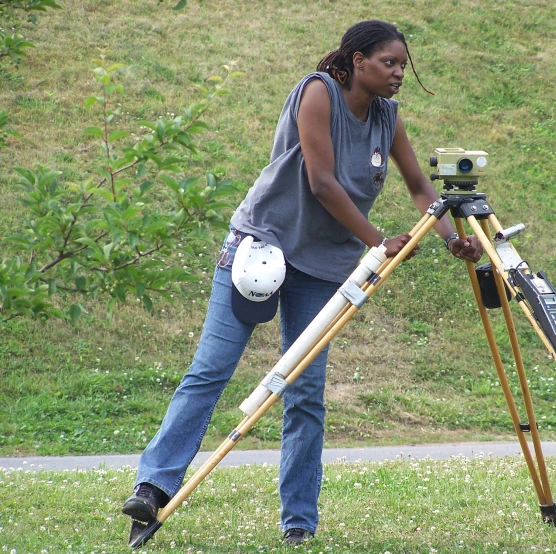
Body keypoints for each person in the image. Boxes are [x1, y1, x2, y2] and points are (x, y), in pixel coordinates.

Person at [121, 19, 483, 546]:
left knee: (305, 393)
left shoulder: (388, 117)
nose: (398, 73)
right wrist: (377, 240)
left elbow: (419, 185)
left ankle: (298, 524)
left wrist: (452, 238)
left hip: (322, 268)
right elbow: (321, 182)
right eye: (389, 62)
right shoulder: (317, 94)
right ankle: (152, 488)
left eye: (403, 64)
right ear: (357, 61)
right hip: (260, 249)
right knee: (212, 371)